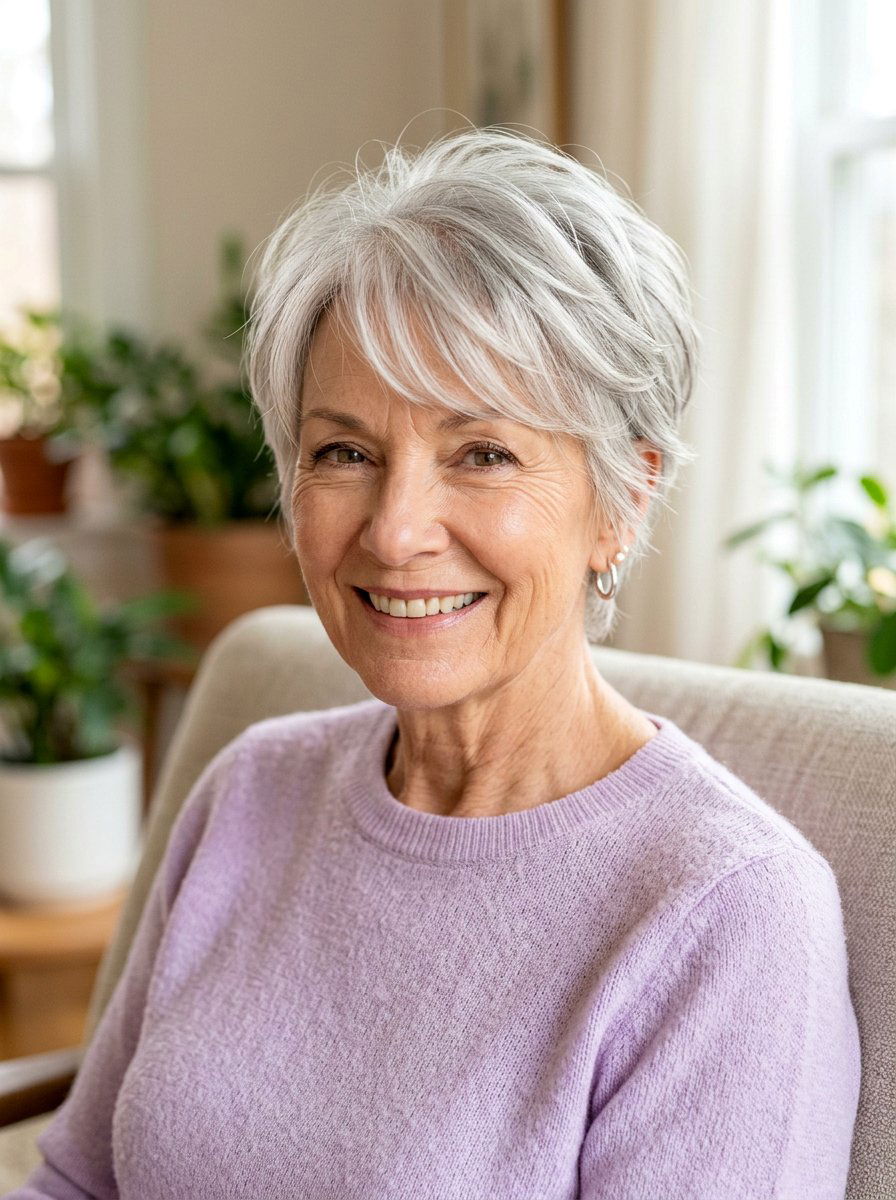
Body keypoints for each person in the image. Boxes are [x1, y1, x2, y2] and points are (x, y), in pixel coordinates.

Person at [10, 126, 860, 1199]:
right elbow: (79, 1183)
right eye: (344, 453)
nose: (395, 529)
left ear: (624, 497)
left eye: (482, 454)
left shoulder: (724, 914)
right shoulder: (250, 789)